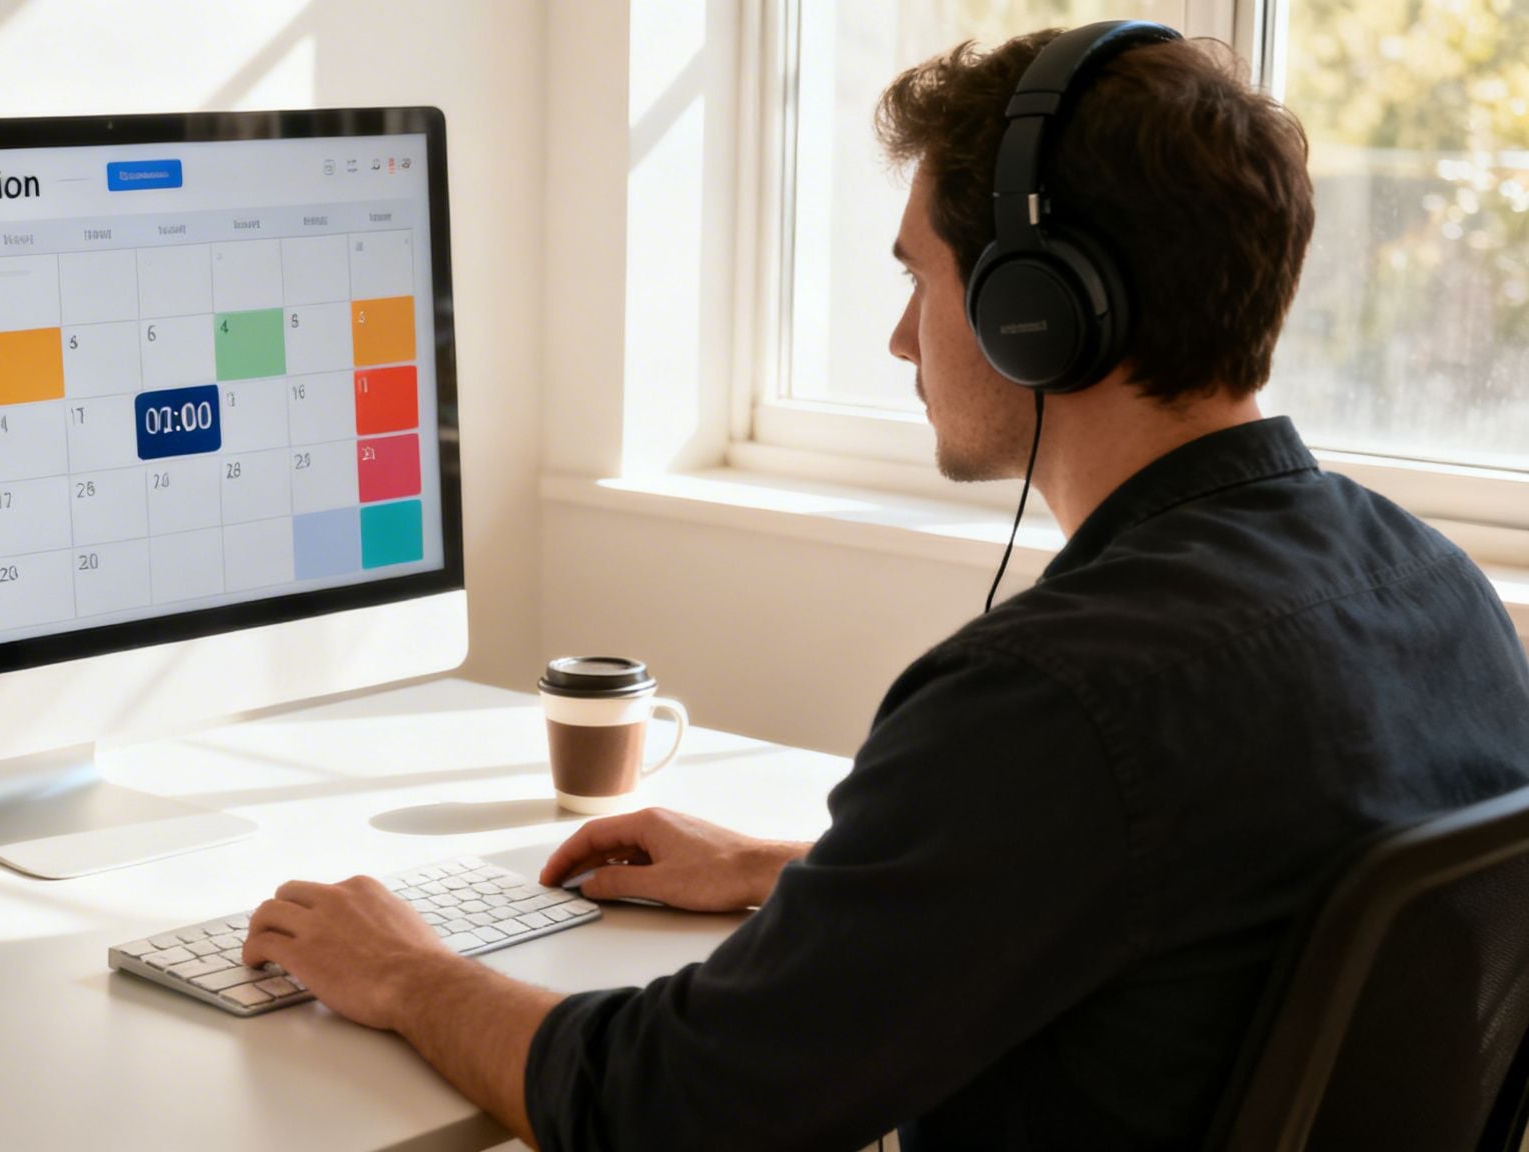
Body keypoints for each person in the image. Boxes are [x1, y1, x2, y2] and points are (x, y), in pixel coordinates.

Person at [241, 24, 1529, 1150]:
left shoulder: (1051, 700)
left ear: (1044, 310)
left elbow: (667, 1109)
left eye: (921, 275)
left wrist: (408, 972)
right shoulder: (1433, 585)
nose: (902, 336)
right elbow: (1215, 900)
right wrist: (795, 870)